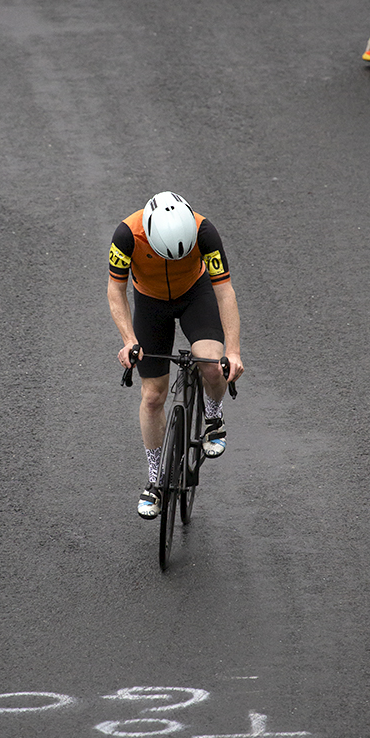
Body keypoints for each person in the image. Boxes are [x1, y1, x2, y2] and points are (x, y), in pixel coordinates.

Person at [108, 191, 244, 518]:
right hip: (150, 303)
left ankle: (213, 417)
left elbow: (225, 292)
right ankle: (156, 478)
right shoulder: (126, 235)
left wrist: (233, 351)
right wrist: (129, 340)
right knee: (153, 396)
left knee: (212, 365)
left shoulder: (204, 231)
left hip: (195, 295)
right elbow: (116, 290)